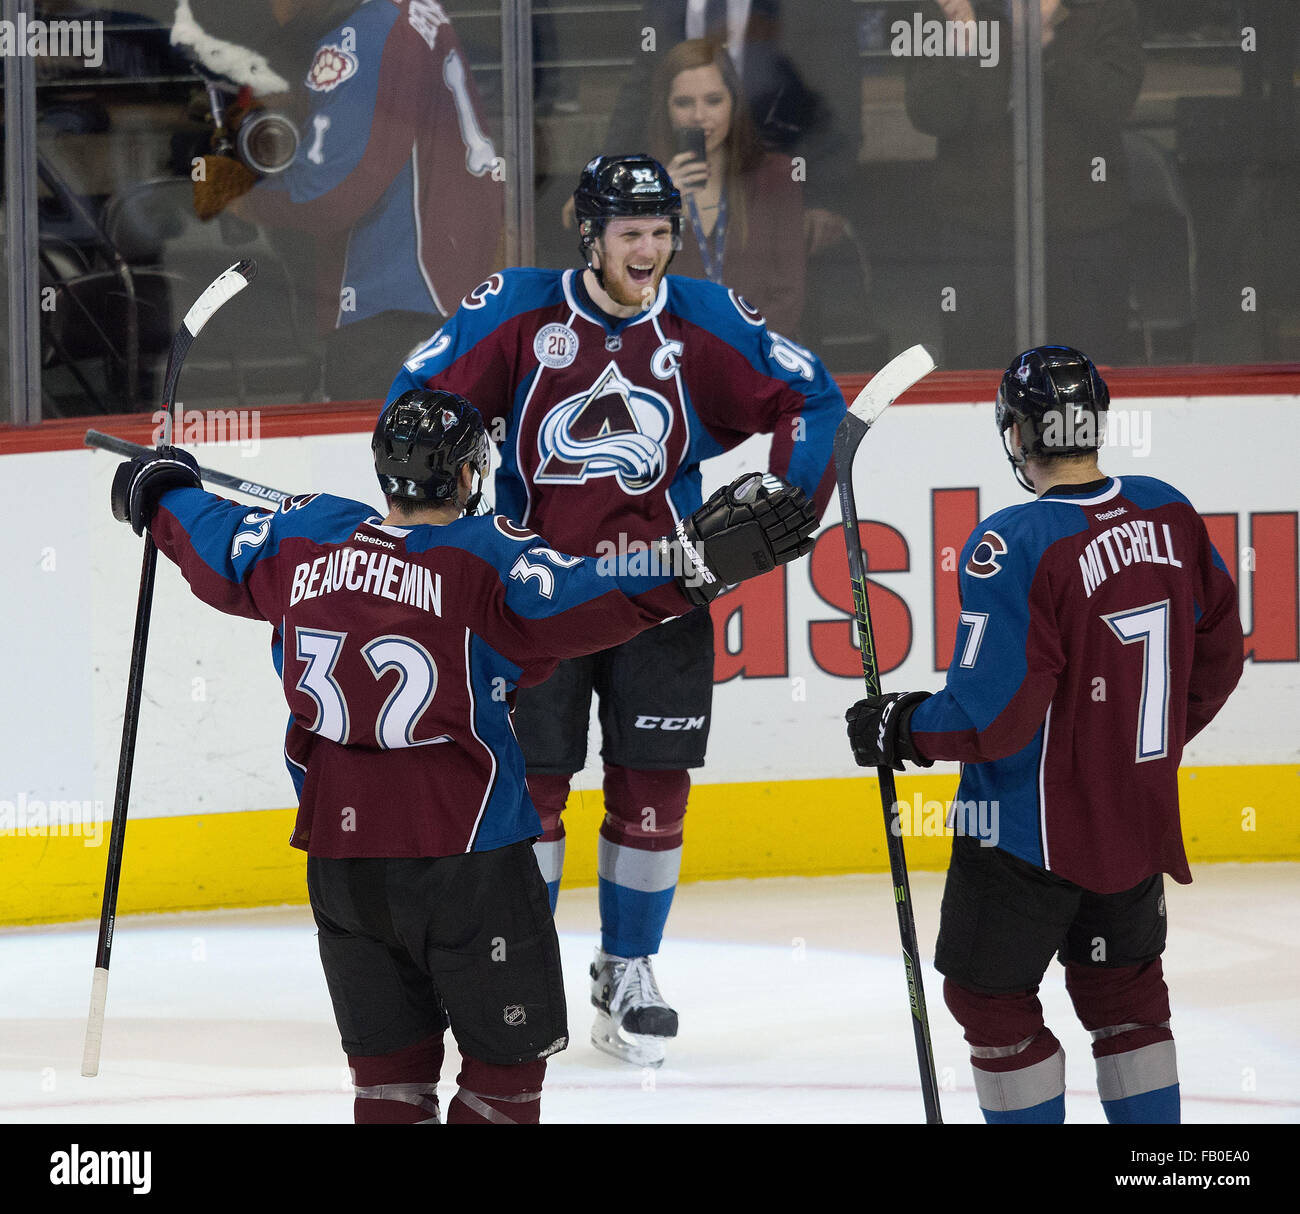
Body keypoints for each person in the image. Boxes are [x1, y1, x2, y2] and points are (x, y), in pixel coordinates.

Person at [107, 388, 818, 1123]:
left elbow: (213, 537)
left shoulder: (303, 537)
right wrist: (694, 563)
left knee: (387, 1085)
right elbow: (590, 593)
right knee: (502, 1081)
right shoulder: (485, 558)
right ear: (471, 475)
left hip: (342, 867)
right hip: (468, 864)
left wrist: (159, 491)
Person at [385, 153, 846, 1066]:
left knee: (654, 789)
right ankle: (525, 965)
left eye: (662, 231)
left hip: (662, 587)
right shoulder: (516, 309)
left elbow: (812, 394)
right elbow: (414, 404)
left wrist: (791, 505)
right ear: (588, 235)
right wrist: (455, 524)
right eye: (630, 233)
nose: (649, 249)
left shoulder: (703, 318)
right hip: (536, 595)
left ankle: (628, 968)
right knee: (535, 792)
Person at [844, 345, 1244, 1123]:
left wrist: (901, 728)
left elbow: (993, 720)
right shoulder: (1169, 510)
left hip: (1023, 835)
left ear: (1019, 435)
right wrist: (1138, 748)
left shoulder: (1013, 542)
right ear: (1093, 422)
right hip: (1132, 820)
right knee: (1125, 999)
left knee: (990, 1003)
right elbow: (1221, 653)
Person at [175, 0, 504, 400]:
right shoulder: (408, 11)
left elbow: (330, 194)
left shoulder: (362, 34)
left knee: (375, 453)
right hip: (441, 282)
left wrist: (238, 197)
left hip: (393, 300)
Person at [903, 0, 1144, 367]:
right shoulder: (954, 8)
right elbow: (932, 114)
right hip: (978, 231)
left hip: (1083, 232)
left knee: (1082, 386)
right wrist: (964, 49)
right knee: (980, 381)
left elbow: (1113, 102)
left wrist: (1046, 41)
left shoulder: (1101, 8)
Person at [648, 37, 805, 334]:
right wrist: (659, 209)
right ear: (666, 109)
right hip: (669, 361)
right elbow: (632, 296)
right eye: (684, 103)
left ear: (734, 104)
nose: (698, 116)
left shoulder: (776, 177)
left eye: (713, 100)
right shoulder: (641, 186)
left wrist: (730, 347)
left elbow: (789, 297)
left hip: (757, 360)